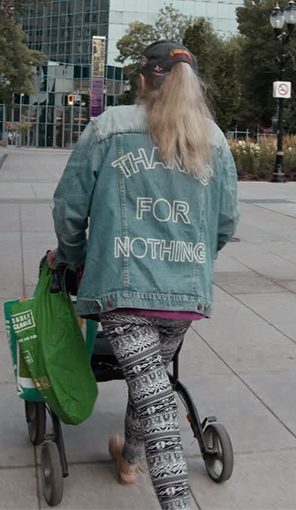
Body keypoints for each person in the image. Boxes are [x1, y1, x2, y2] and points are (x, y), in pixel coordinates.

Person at [49, 41, 239, 510]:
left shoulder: (108, 127)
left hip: (123, 288)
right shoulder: (213, 139)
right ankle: (129, 459)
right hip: (183, 295)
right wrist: (196, 261)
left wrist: (73, 258)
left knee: (152, 394)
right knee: (151, 384)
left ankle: (176, 503)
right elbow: (227, 221)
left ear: (142, 81)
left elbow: (69, 208)